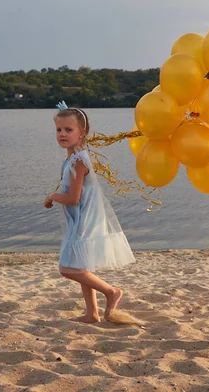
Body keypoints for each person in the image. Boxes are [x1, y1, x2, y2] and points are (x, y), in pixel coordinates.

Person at [44, 102, 136, 324]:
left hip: (84, 219)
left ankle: (111, 291)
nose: (62, 134)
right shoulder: (74, 157)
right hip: (80, 217)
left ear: (81, 132)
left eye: (68, 130)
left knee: (67, 268)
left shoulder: (78, 162)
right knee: (80, 264)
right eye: (59, 130)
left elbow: (73, 198)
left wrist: (52, 197)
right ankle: (92, 313)